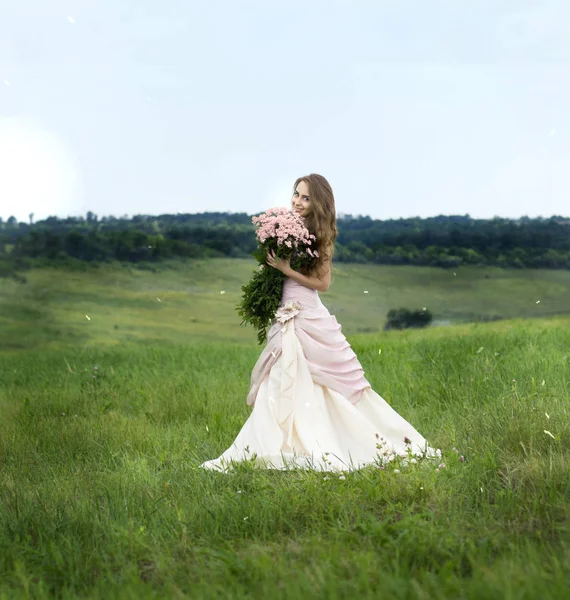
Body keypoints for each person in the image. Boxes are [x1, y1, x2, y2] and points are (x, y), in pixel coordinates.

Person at [200, 174, 438, 472]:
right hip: (285, 312)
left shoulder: (321, 236)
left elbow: (322, 284)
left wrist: (286, 268)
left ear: (318, 203)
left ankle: (340, 441)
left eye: (305, 198)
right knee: (281, 379)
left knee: (318, 379)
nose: (297, 202)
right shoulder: (289, 229)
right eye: (296, 195)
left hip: (306, 315)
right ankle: (274, 442)